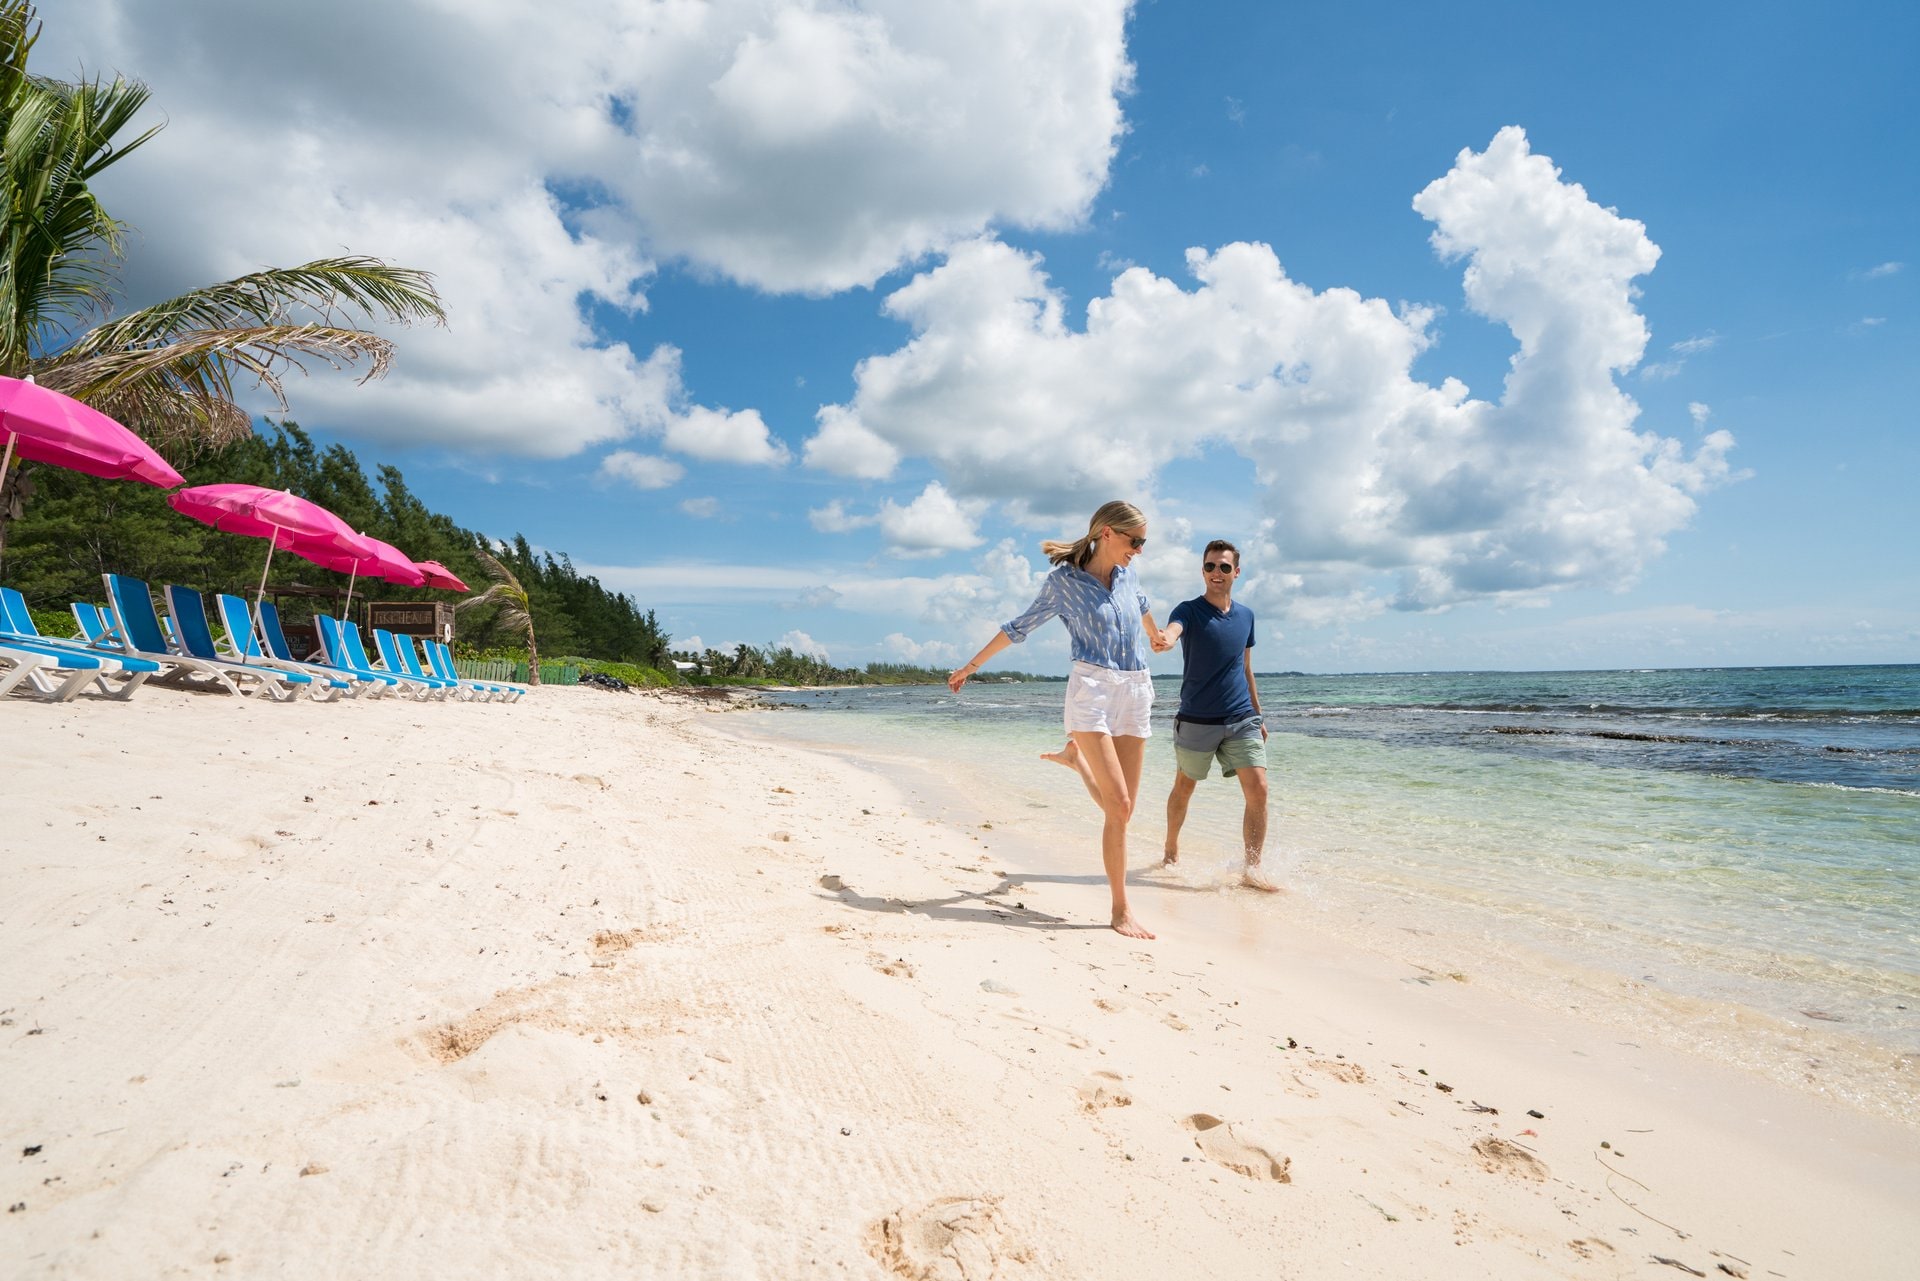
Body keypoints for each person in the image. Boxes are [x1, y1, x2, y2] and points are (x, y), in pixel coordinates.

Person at [948, 500, 1167, 939]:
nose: (1139, 549)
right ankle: (1120, 910)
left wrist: (1155, 634)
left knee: (1122, 810)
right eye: (1134, 540)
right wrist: (970, 667)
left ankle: (1076, 761)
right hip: (1092, 691)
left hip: (1136, 687)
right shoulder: (1063, 583)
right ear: (1107, 533)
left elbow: (1140, 604)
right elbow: (1018, 627)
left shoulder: (1129, 576)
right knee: (1119, 805)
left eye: (1144, 542)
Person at [1159, 539, 1276, 892]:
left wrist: (1258, 714)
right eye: (1210, 566)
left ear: (1236, 572)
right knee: (1185, 786)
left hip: (1241, 718)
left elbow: (1246, 667)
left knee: (1259, 789)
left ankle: (1252, 869)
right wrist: (1165, 638)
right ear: (1203, 571)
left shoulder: (1247, 616)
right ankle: (1170, 847)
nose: (1217, 573)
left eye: (1224, 567)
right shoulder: (1189, 611)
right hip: (1196, 719)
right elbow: (1173, 630)